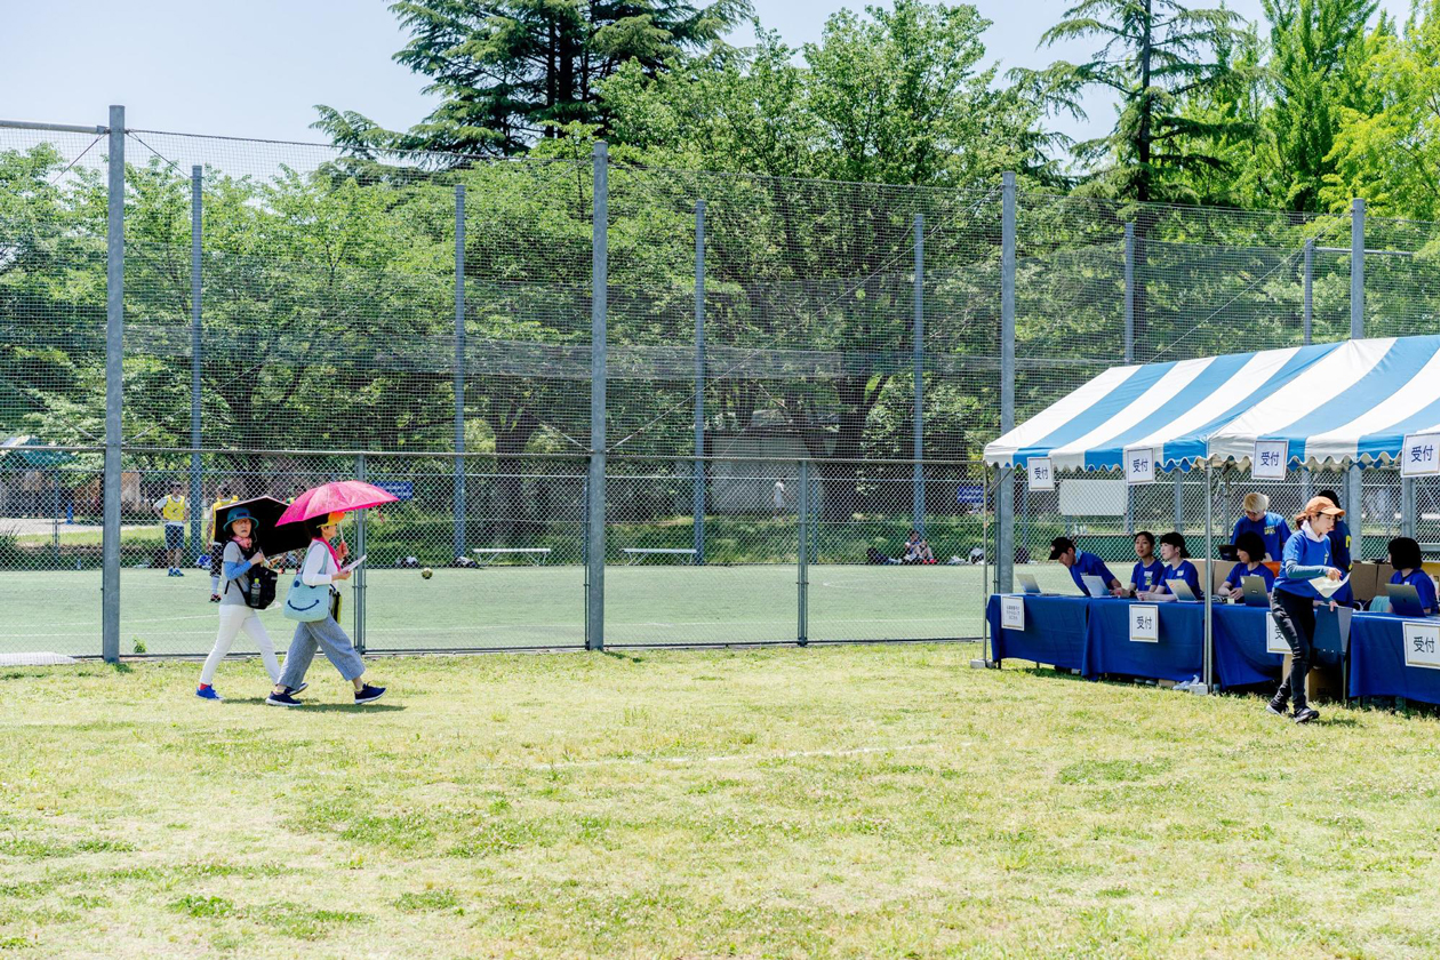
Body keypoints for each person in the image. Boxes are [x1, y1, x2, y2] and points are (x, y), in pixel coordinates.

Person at [267, 512, 385, 707]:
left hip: (316, 605)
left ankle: (279, 691)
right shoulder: (319, 548)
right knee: (339, 643)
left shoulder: (323, 547)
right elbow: (308, 578)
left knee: (300, 649)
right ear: (323, 527)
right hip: (317, 605)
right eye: (333, 524)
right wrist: (337, 576)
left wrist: (338, 557)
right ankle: (360, 689)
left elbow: (324, 571)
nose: (336, 526)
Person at [1268, 496, 1345, 724]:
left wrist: (1328, 596)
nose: (1332, 522)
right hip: (1284, 600)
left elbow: (1322, 577)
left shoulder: (1326, 541)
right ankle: (1300, 707)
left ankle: (1277, 703)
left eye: (1334, 518)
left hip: (1305, 602)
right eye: (1328, 518)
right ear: (1313, 517)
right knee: (1301, 651)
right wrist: (1322, 569)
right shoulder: (1297, 539)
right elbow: (1291, 570)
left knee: (1310, 655)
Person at [196, 508, 285, 701]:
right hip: (233, 606)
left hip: (245, 608)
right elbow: (230, 574)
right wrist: (252, 561)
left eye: (247, 521)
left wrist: (262, 563)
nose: (244, 525)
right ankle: (203, 687)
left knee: (266, 645)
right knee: (221, 648)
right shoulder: (231, 546)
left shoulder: (248, 547)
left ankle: (281, 686)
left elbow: (247, 573)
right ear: (232, 527)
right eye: (239, 522)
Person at [1315, 489, 1355, 607]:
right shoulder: (1343, 527)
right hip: (1343, 576)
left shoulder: (1331, 532)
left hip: (1333, 578)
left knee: (1330, 612)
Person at [1049, 536, 1121, 597]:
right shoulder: (1071, 565)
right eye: (1059, 559)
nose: (1061, 562)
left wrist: (1115, 592)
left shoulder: (1092, 562)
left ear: (1070, 551)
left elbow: (1117, 585)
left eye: (1061, 558)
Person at [1140, 532, 1201, 601]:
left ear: (1177, 549)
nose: (1162, 549)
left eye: (1165, 545)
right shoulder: (1167, 569)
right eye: (1161, 545)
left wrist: (1154, 597)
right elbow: (1158, 592)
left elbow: (1183, 595)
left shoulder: (1188, 568)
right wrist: (1144, 595)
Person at [1231, 492, 1291, 561]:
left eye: (1255, 513)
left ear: (1263, 509)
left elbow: (1287, 544)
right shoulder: (1242, 524)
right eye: (1248, 512)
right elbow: (1235, 547)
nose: (1252, 516)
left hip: (1274, 564)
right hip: (1250, 565)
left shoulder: (1277, 521)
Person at [207, 484, 240, 602]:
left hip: (218, 540)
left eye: (217, 492)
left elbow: (210, 524)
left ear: (221, 493)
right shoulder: (236, 504)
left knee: (216, 566)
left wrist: (207, 540)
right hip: (233, 540)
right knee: (232, 567)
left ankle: (214, 592)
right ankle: (230, 593)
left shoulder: (215, 506)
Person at [1217, 531, 1275, 600]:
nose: (1237, 554)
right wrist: (1229, 593)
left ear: (1250, 550)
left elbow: (1271, 596)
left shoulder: (1265, 573)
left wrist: (1246, 592)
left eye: (1240, 550)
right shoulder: (1238, 568)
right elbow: (1221, 589)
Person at [1386, 537, 1437, 615]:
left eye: (1391, 553)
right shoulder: (1395, 577)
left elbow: (1426, 611)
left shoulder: (1421, 580)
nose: (1389, 557)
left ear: (1401, 556)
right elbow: (1392, 606)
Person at [153, 482, 189, 577]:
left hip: (180, 525)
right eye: (175, 488)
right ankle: (170, 568)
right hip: (170, 525)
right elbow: (155, 507)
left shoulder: (183, 499)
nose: (177, 490)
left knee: (179, 548)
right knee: (171, 549)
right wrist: (162, 518)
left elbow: (188, 509)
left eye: (179, 488)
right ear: (172, 489)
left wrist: (186, 518)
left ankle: (177, 569)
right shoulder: (166, 499)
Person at [1123, 531, 1165, 597]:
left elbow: (1151, 592)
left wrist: (1131, 593)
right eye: (1137, 542)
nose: (1140, 546)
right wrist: (1122, 592)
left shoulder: (1158, 567)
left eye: (1144, 543)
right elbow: (1131, 588)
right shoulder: (1137, 567)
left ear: (1152, 547)